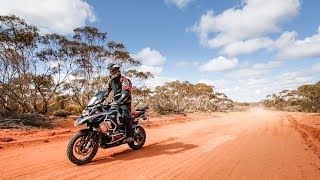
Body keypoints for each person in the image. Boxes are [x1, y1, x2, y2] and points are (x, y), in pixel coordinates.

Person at [106, 63, 134, 143]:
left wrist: (120, 100)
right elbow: (106, 91)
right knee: (107, 114)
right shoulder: (111, 81)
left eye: (113, 70)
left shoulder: (124, 80)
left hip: (124, 103)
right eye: (110, 70)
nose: (111, 72)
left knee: (125, 116)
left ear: (117, 70)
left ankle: (130, 136)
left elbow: (125, 92)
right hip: (115, 103)